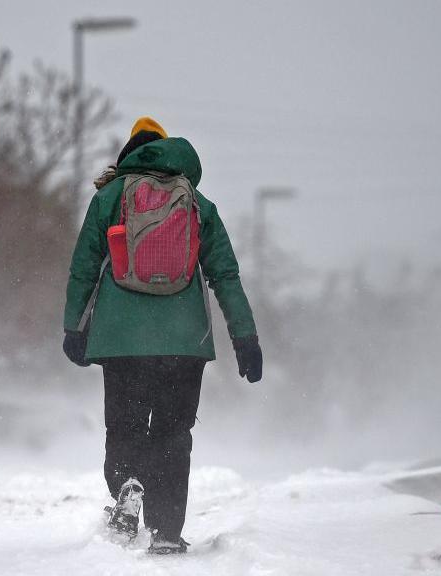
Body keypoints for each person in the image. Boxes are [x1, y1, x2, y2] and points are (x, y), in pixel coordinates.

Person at [63, 117, 263, 555]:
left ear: (130, 153)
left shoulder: (110, 197)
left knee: (125, 427)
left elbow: (83, 268)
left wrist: (74, 326)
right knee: (173, 433)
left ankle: (128, 488)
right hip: (183, 342)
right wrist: (245, 337)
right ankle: (167, 532)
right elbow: (224, 275)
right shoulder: (198, 204)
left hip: (120, 340)